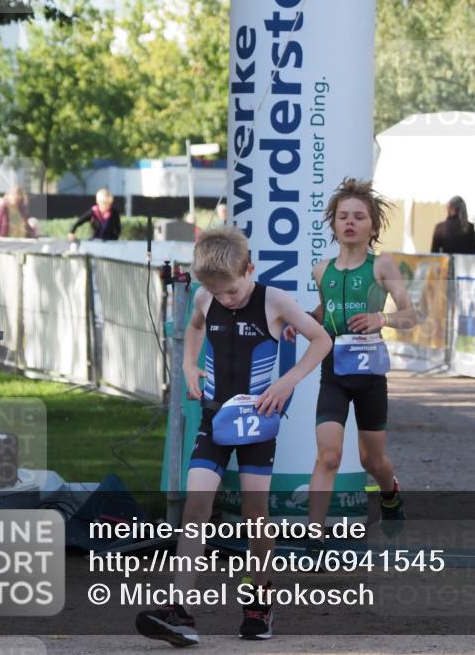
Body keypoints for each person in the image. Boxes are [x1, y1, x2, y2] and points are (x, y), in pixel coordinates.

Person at [135, 227, 331, 645]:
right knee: (195, 508)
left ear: (249, 269)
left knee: (255, 515)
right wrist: (189, 365)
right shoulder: (206, 298)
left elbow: (321, 340)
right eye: (217, 293)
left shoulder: (275, 300)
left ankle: (260, 603)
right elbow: (193, 327)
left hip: (258, 423)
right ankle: (179, 611)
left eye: (232, 291)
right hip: (215, 418)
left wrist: (287, 382)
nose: (225, 299)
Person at [285, 178, 417, 554]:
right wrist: (303, 322)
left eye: (359, 217)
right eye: (343, 216)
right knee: (329, 455)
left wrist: (382, 319)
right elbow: (326, 310)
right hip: (335, 373)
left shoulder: (382, 266)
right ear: (333, 224)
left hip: (370, 374)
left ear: (373, 227)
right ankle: (314, 538)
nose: (350, 222)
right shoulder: (321, 270)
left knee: (371, 460)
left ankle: (390, 493)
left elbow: (411, 314)